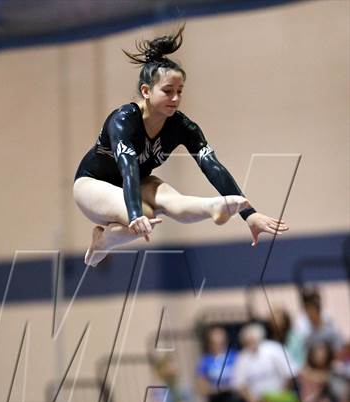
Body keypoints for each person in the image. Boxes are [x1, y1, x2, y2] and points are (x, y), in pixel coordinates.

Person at [73, 23, 288, 266]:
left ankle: (213, 207)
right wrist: (134, 215)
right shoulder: (123, 120)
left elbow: (213, 166)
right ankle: (102, 243)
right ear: (146, 90)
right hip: (92, 185)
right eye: (167, 91)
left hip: (135, 184)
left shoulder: (183, 127)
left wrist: (249, 214)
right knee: (145, 214)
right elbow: (128, 167)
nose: (175, 99)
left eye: (179, 91)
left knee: (168, 200)